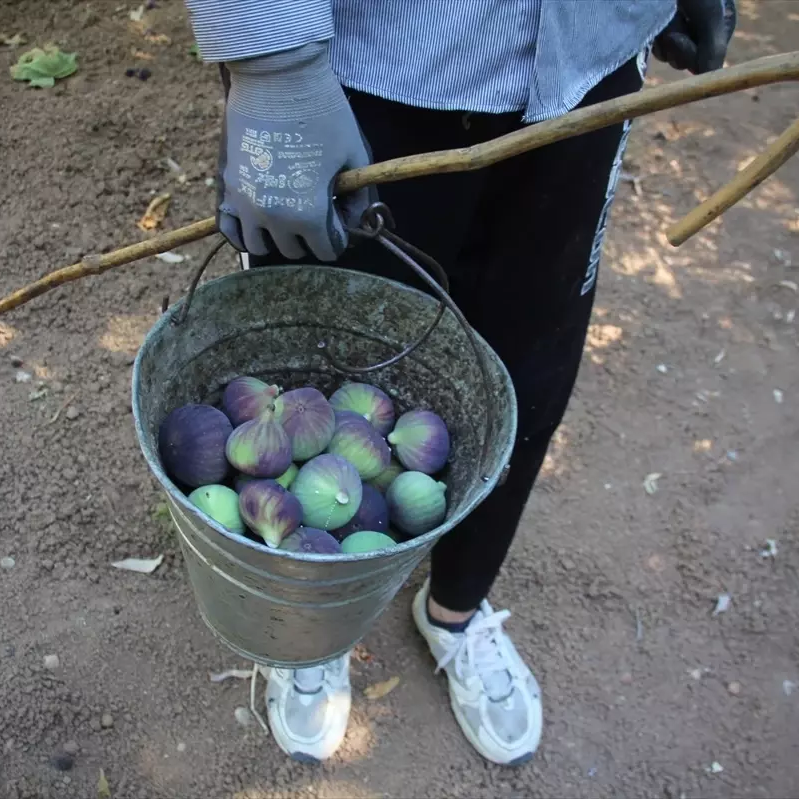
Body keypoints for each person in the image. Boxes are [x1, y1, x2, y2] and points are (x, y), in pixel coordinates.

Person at [184, 0, 736, 766]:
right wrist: (272, 60)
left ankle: (456, 610)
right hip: (371, 74)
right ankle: (312, 629)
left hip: (590, 62)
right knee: (318, 361)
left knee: (528, 366)